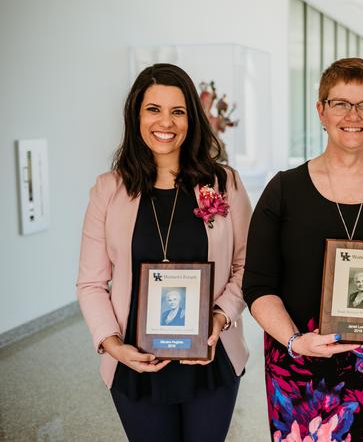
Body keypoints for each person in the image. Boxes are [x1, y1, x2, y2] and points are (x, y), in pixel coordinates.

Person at [242, 58, 363, 441]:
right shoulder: (283, 191)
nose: (354, 116)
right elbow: (258, 286)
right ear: (321, 110)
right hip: (298, 368)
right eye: (340, 103)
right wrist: (296, 342)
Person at [76, 63, 252, 442]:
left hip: (210, 355)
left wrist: (223, 315)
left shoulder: (224, 183)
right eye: (153, 109)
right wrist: (112, 345)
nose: (166, 123)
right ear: (136, 115)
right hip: (134, 361)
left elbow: (246, 265)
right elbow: (91, 282)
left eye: (178, 111)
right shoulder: (108, 190)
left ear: (192, 118)